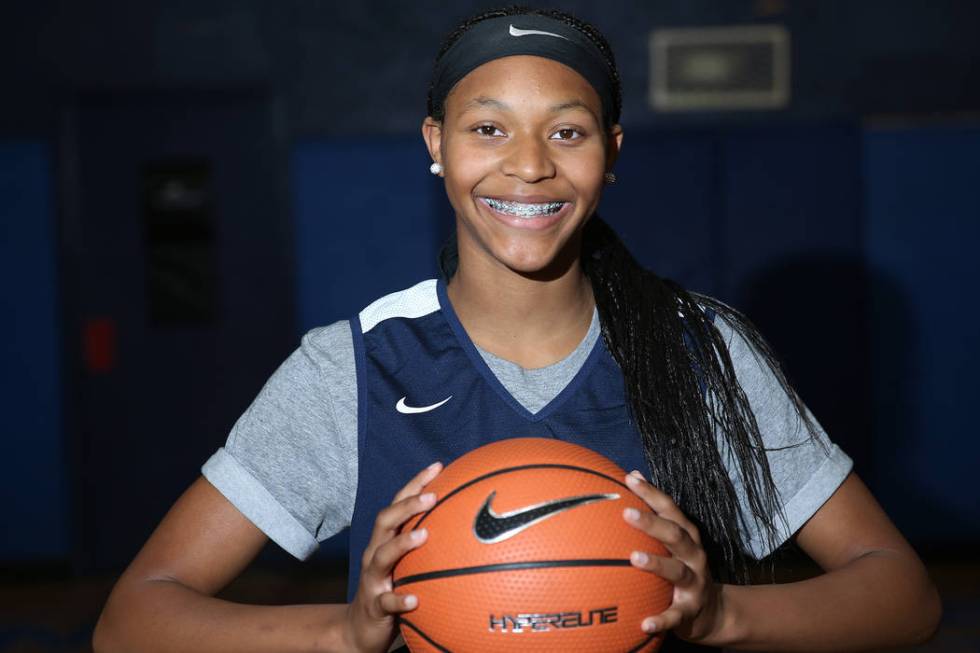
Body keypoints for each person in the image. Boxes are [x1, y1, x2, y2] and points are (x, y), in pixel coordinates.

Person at [93, 7, 941, 653]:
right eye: (487, 127)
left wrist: (723, 613)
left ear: (610, 151)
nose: (529, 164)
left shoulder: (702, 349)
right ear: (437, 143)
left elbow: (905, 594)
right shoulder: (354, 364)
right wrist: (341, 632)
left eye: (566, 132)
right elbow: (134, 615)